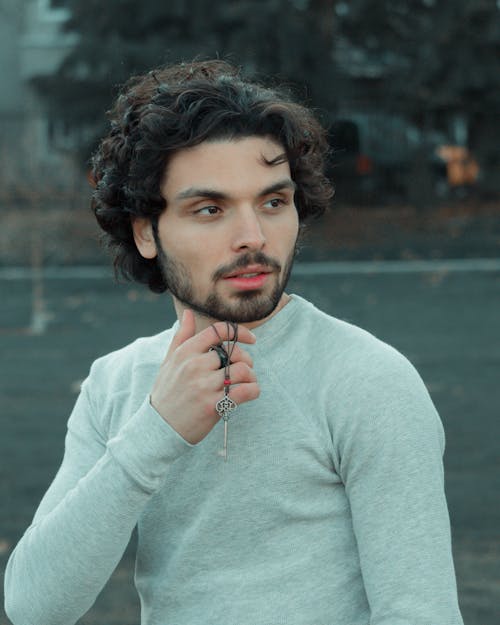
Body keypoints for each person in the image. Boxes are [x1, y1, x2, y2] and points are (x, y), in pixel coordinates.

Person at [4, 60, 463, 625]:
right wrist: (156, 431)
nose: (253, 237)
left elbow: (421, 613)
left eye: (273, 202)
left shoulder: (367, 381)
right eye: (211, 209)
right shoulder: (116, 384)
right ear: (147, 231)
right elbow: (32, 608)